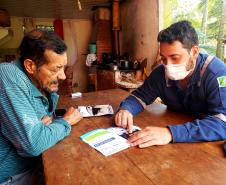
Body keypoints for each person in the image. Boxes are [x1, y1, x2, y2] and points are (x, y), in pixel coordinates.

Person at [115, 20, 226, 148]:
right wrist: (126, 109)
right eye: (163, 58)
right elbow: (139, 97)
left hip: (208, 147)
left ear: (194, 52)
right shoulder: (160, 73)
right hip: (177, 144)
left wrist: (170, 133)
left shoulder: (217, 74)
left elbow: (222, 123)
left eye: (175, 57)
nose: (168, 65)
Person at [0, 29, 82, 184]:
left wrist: (42, 130)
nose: (63, 76)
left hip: (37, 163)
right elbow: (34, 144)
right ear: (30, 66)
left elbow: (43, 128)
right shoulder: (7, 75)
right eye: (56, 69)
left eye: (63, 67)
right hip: (13, 177)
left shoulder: (37, 80)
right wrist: (65, 122)